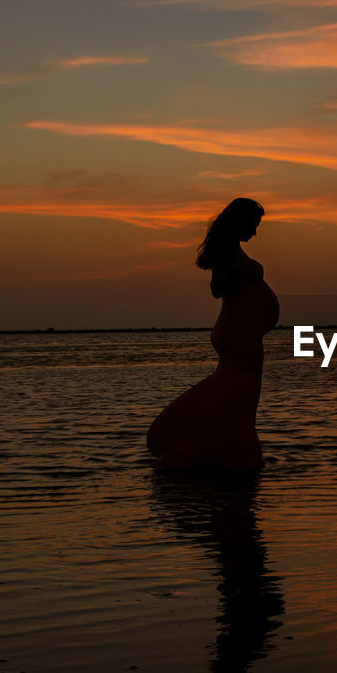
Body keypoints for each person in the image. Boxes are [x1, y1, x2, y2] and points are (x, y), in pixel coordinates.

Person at [146, 198, 279, 470]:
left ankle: (223, 449)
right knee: (242, 395)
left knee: (236, 395)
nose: (255, 232)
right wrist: (239, 272)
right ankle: (235, 454)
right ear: (239, 222)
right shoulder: (227, 251)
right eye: (253, 225)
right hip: (238, 336)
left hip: (243, 335)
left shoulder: (232, 249)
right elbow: (217, 288)